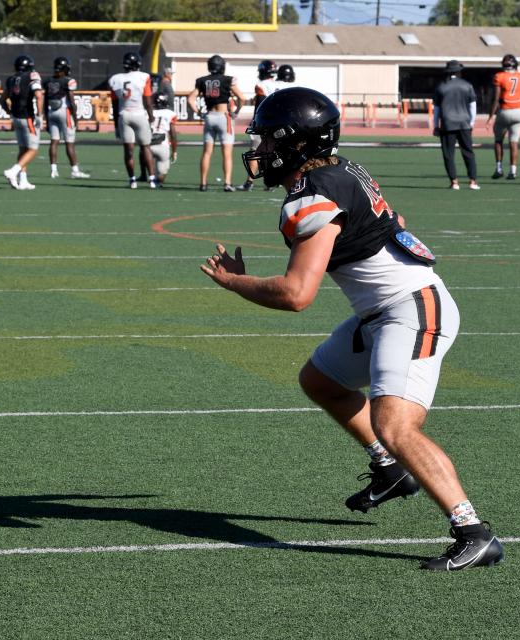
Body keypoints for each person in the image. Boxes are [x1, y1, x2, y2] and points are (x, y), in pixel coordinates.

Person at [201, 87, 503, 571]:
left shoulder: (313, 194)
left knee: (395, 424)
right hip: (386, 310)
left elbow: (298, 294)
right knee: (321, 380)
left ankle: (472, 530)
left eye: (268, 143)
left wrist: (235, 282)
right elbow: (394, 220)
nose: (259, 153)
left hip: (410, 308)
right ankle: (390, 470)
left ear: (296, 145)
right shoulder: (342, 170)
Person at [188, 54, 245, 192]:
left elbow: (191, 99)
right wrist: (236, 110)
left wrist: (199, 113)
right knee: (227, 152)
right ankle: (227, 183)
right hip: (224, 117)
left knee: (207, 152)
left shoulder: (202, 80)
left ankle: (203, 183)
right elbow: (242, 98)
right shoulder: (228, 80)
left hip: (209, 116)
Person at [108, 51, 157, 189]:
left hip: (124, 116)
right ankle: (152, 180)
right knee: (146, 147)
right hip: (139, 114)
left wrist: (116, 124)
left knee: (128, 150)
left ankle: (132, 180)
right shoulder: (143, 77)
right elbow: (147, 99)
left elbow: (115, 103)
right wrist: (151, 116)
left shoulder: (115, 79)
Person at [0, 54, 44, 190]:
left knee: (23, 149)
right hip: (27, 116)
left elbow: (2, 99)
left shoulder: (11, 79)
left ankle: (23, 180)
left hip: (16, 117)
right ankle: (13, 171)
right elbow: (39, 95)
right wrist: (40, 115)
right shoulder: (32, 76)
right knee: (33, 149)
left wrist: (8, 111)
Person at [433, 60, 479, 190]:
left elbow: (436, 109)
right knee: (468, 151)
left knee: (448, 154)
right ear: (458, 71)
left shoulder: (441, 86)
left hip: (447, 124)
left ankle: (454, 182)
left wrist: (436, 125)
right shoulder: (467, 85)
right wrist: (471, 122)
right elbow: (473, 106)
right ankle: (473, 181)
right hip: (464, 123)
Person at [485, 54, 520, 180]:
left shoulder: (500, 76)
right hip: (519, 111)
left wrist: (490, 117)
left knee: (498, 140)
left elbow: (496, 98)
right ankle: (513, 171)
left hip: (505, 111)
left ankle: (499, 168)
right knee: (514, 142)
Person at [45, 56, 89, 180]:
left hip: (51, 112)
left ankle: (53, 170)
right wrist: (76, 116)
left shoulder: (48, 81)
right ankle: (75, 170)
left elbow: (45, 100)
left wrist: (46, 118)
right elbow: (71, 99)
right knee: (69, 143)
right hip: (65, 112)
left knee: (54, 141)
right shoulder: (68, 81)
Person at [238, 59, 280, 191]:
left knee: (255, 152)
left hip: (264, 122)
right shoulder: (279, 85)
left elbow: (260, 105)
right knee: (271, 152)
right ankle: (272, 181)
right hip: (276, 122)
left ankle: (249, 182)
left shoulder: (261, 85)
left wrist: (255, 121)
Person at [148, 92, 178, 185]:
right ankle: (157, 181)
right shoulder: (170, 114)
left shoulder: (147, 112)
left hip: (148, 147)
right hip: (163, 146)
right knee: (161, 176)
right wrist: (174, 151)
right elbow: (173, 134)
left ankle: (148, 176)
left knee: (145, 158)